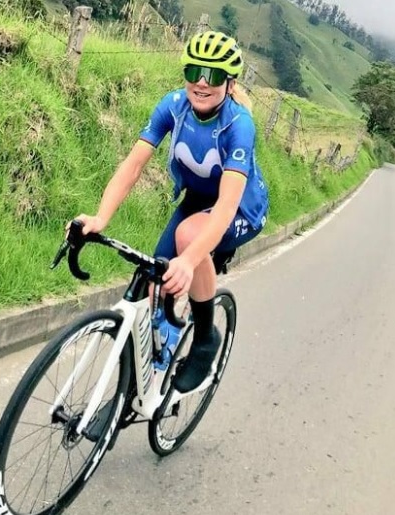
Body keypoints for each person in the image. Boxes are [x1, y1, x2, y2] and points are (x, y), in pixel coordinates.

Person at [72, 31, 269, 393]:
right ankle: (139, 385)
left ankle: (205, 339)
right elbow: (133, 166)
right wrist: (100, 218)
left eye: (213, 75)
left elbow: (226, 207)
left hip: (242, 209)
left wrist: (189, 260)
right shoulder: (174, 105)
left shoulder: (238, 124)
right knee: (153, 283)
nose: (202, 82)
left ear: (230, 83)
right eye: (194, 71)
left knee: (188, 238)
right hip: (197, 201)